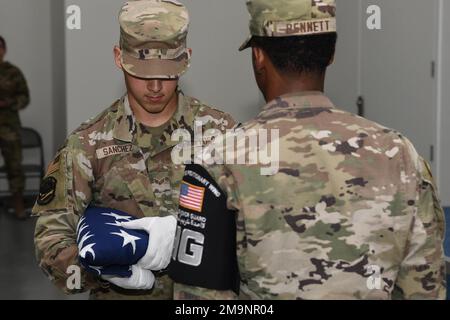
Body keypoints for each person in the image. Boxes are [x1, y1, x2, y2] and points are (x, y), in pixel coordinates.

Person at [170, 0, 447, 299]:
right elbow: (423, 289)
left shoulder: (217, 162)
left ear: (259, 56)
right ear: (331, 54)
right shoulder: (401, 155)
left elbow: (198, 301)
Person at [32, 0, 236, 300]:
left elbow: (259, 232)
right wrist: (102, 268)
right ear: (118, 57)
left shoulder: (222, 133)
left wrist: (201, 242)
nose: (155, 85)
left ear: (187, 59)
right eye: (142, 72)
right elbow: (50, 243)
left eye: (167, 73)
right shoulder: (87, 143)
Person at [0, 35, 30, 220]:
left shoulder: (13, 72)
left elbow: (24, 97)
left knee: (14, 166)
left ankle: (18, 203)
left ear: (4, 50)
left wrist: (7, 102)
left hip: (9, 127)